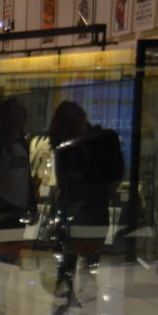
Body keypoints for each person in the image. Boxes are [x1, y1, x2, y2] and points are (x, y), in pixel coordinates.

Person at [47, 99, 123, 303]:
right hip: (83, 207)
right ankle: (72, 307)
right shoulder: (85, 143)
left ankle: (73, 308)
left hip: (86, 207)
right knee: (78, 265)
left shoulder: (94, 142)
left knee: (80, 265)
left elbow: (67, 180)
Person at [0, 98, 32, 221]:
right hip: (2, 208)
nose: (24, 111)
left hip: (19, 207)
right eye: (19, 109)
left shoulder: (21, 143)